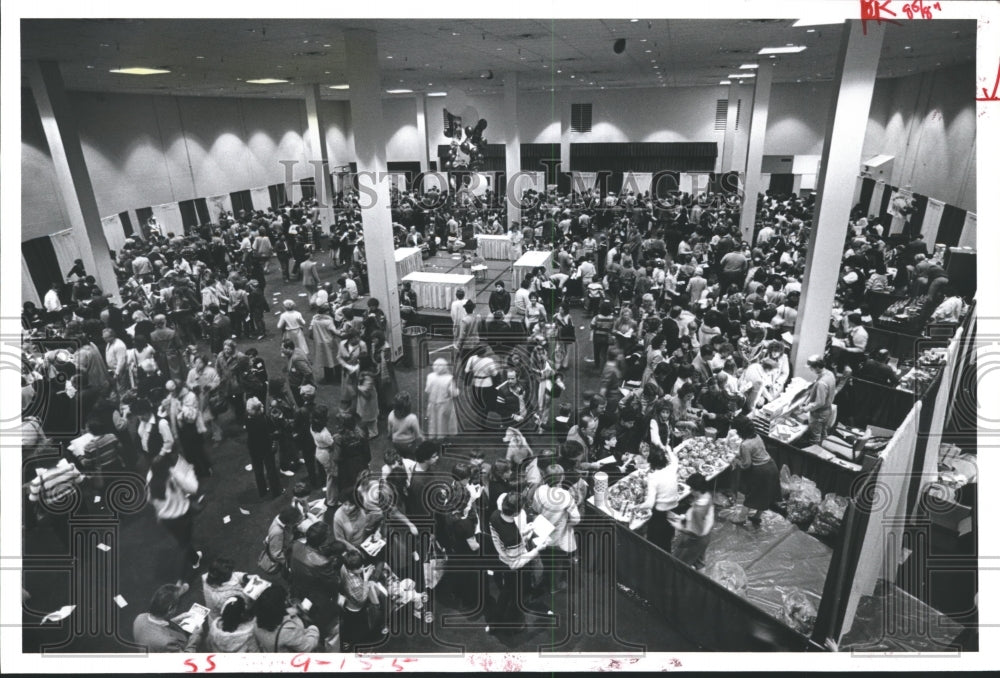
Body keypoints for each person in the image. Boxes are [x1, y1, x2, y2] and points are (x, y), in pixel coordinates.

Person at [487, 492, 550, 634]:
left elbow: (505, 540)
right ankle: (516, 624)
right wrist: (538, 549)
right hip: (513, 567)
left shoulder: (495, 515)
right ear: (516, 513)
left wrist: (524, 533)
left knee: (505, 593)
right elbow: (516, 563)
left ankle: (494, 623)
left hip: (502, 559)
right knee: (515, 597)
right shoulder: (512, 536)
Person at [146, 452, 202, 583]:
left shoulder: (151, 483)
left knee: (183, 541)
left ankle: (194, 559)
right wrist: (187, 472)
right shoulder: (172, 477)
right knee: (185, 543)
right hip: (181, 515)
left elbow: (150, 500)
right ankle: (182, 577)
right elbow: (192, 488)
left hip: (167, 520)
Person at [287, 522, 344, 636]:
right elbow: (332, 582)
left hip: (297, 584)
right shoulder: (322, 562)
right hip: (316, 594)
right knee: (319, 615)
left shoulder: (296, 544)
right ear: (322, 542)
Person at [732, 416, 780, 525]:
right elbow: (757, 452)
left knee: (752, 495)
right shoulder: (757, 437)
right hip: (771, 466)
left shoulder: (744, 445)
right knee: (765, 494)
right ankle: (757, 516)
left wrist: (737, 460)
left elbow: (746, 465)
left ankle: (741, 518)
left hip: (761, 471)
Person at [132, 583, 205, 652]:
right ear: (170, 609)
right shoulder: (167, 642)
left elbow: (157, 625)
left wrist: (177, 619)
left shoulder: (140, 617)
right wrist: (195, 637)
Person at [634, 447, 681, 553]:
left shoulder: (653, 477)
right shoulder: (672, 468)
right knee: (667, 539)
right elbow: (675, 459)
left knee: (656, 544)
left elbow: (650, 504)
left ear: (651, 463)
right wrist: (668, 449)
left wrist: (636, 507)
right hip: (674, 510)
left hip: (660, 515)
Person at [253, 582, 321, 652]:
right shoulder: (288, 631)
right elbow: (307, 647)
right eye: (285, 600)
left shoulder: (257, 620)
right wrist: (313, 628)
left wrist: (291, 612)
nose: (287, 601)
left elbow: (274, 614)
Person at [668, 472, 715, 570]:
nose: (690, 491)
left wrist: (679, 527)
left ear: (696, 490)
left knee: (679, 562)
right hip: (706, 536)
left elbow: (695, 533)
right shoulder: (707, 495)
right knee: (699, 561)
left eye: (691, 488)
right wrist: (684, 516)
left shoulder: (698, 510)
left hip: (696, 540)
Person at [794, 355, 837, 445]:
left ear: (817, 367)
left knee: (815, 438)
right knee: (823, 434)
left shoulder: (822, 383)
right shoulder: (829, 374)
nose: (810, 370)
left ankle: (815, 454)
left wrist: (804, 409)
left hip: (819, 414)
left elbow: (819, 403)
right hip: (827, 411)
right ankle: (824, 448)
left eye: (811, 368)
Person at [245, 397, 283, 499]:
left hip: (253, 448)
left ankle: (262, 491)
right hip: (266, 447)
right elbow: (272, 432)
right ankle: (276, 491)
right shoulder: (264, 419)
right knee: (271, 469)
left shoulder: (248, 420)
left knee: (258, 470)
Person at [425, 358, 459, 440]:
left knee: (433, 420)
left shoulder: (430, 376)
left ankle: (433, 435)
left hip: (433, 402)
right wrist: (457, 391)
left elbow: (427, 390)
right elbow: (453, 393)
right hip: (445, 403)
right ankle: (442, 436)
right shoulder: (449, 378)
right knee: (444, 421)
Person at [386, 392, 422, 459]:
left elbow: (389, 431)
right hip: (409, 443)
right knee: (410, 457)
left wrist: (390, 437)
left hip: (396, 442)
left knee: (399, 456)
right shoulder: (412, 418)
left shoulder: (391, 414)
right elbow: (417, 434)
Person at [310, 304, 338, 384]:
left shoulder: (314, 320)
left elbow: (310, 331)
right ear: (326, 312)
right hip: (330, 341)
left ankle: (329, 378)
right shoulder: (328, 321)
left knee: (325, 360)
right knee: (335, 358)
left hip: (319, 342)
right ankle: (338, 377)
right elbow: (334, 331)